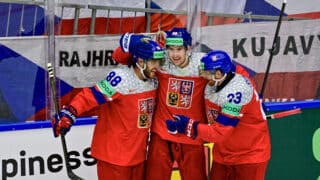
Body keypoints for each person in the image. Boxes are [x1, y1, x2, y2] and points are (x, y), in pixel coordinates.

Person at [51, 34, 165, 180]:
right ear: (140, 61)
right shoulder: (121, 80)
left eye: (159, 61)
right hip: (114, 156)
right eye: (153, 61)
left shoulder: (153, 80)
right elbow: (89, 96)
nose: (157, 66)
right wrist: (70, 112)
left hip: (138, 155)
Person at [112, 27, 208, 180]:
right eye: (170, 49)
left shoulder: (202, 63)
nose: (175, 54)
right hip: (162, 135)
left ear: (189, 49)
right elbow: (119, 57)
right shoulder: (160, 60)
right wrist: (136, 43)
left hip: (191, 137)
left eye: (179, 49)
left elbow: (232, 72)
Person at [166, 50, 271, 180]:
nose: (202, 75)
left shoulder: (236, 93)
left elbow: (219, 133)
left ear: (219, 73)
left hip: (248, 157)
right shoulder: (216, 82)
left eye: (206, 72)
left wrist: (188, 126)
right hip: (222, 155)